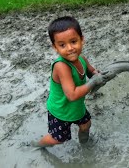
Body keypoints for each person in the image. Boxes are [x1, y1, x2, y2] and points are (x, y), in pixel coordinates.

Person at [31, 16, 107, 147]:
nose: (70, 48)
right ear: (55, 47)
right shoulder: (61, 66)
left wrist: (98, 75)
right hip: (61, 111)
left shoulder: (82, 59)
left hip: (76, 108)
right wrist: (94, 82)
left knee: (86, 125)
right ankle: (37, 145)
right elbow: (72, 95)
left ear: (82, 40)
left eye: (73, 41)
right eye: (62, 45)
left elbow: (92, 72)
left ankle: (85, 146)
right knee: (58, 139)